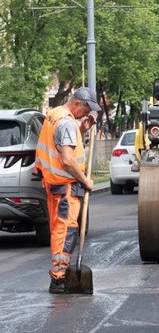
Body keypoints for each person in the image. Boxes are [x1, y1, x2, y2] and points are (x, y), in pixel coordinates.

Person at [35, 87, 99, 294]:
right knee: (66, 230)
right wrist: (85, 181)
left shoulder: (54, 114)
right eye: (87, 108)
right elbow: (68, 159)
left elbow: (57, 145)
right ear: (77, 103)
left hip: (53, 184)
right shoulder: (68, 122)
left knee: (57, 229)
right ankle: (59, 278)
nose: (87, 113)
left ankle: (58, 276)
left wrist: (82, 130)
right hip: (67, 187)